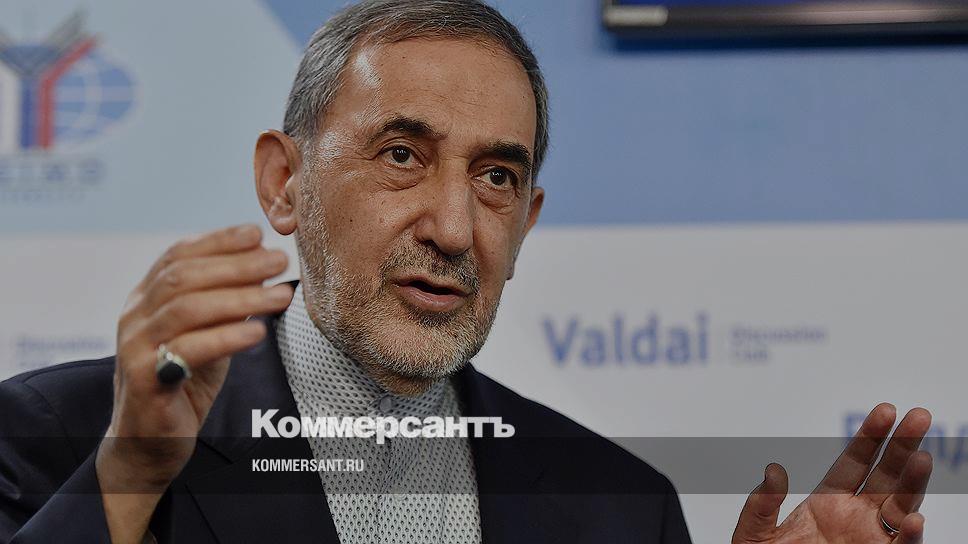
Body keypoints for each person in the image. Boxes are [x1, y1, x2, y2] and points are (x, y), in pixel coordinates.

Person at [0, 1, 933, 543]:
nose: (454, 229)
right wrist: (129, 475)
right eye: (402, 155)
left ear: (525, 225)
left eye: (496, 178)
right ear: (286, 184)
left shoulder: (621, 509)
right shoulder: (59, 437)